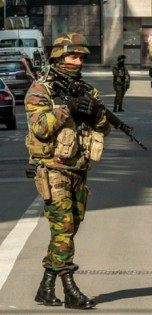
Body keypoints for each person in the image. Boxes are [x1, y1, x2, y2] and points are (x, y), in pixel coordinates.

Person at [25, 32, 110, 310]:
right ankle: (71, 289)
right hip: (53, 170)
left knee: (70, 229)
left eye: (82, 57)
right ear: (59, 57)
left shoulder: (85, 89)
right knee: (63, 228)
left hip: (78, 169)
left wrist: (96, 115)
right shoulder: (41, 90)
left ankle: (45, 287)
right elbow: (41, 128)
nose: (78, 61)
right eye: (73, 56)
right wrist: (67, 109)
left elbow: (103, 126)